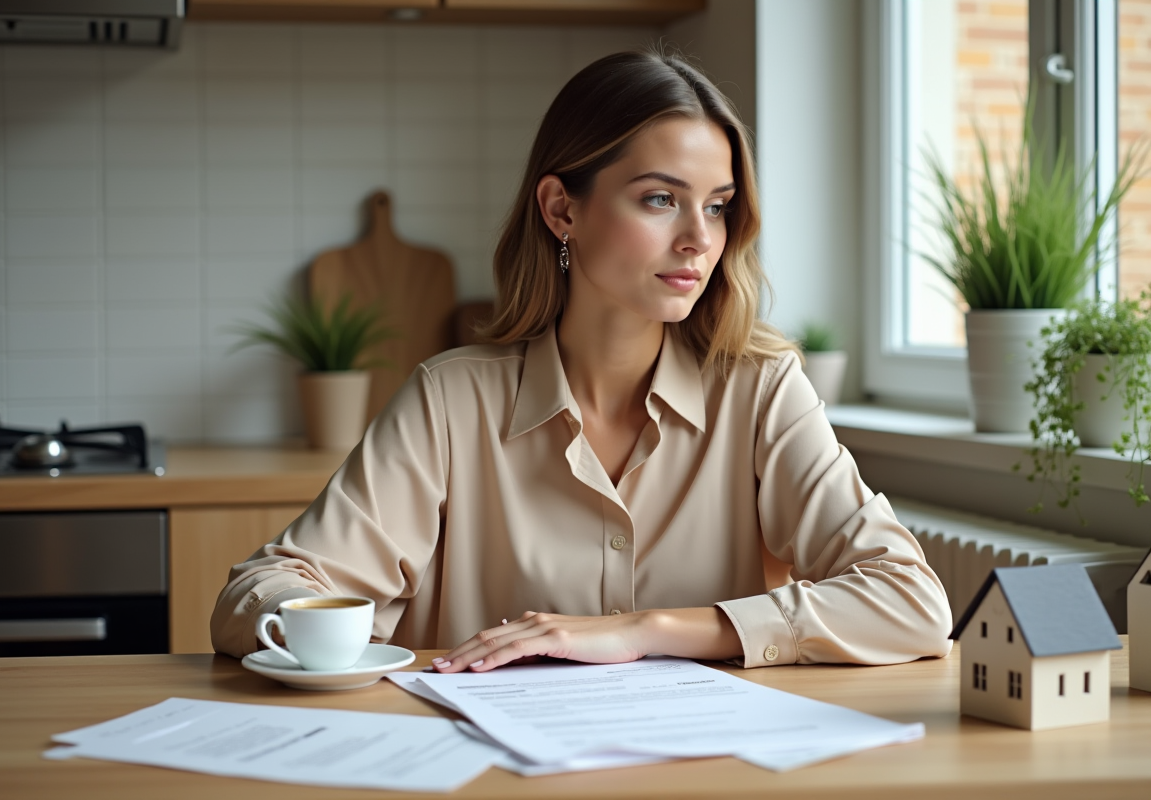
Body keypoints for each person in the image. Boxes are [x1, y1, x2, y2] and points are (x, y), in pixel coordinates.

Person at [211, 47, 953, 673]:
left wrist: (647, 631)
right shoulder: (451, 400)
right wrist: (330, 630)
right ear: (562, 209)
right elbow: (256, 597)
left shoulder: (762, 392)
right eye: (661, 199)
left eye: (719, 204)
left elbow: (912, 603)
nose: (699, 237)